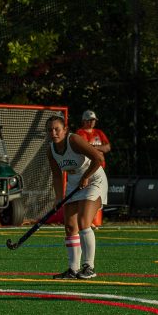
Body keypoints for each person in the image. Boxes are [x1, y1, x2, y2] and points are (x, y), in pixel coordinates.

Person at [45, 116, 108, 279]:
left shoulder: (74, 140)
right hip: (75, 182)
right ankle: (73, 269)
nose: (53, 133)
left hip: (94, 179)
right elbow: (57, 176)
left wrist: (86, 176)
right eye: (50, 130)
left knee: (83, 222)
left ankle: (89, 267)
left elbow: (98, 159)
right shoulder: (51, 149)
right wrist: (58, 198)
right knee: (70, 226)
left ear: (64, 130)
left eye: (57, 129)